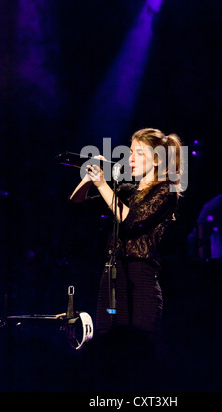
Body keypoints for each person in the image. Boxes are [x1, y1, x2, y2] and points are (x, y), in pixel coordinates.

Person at [69, 128, 183, 336]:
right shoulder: (127, 191)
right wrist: (88, 179)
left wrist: (102, 184)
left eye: (139, 153)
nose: (130, 158)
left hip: (140, 280)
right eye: (130, 152)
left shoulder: (167, 191)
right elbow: (77, 205)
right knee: (106, 342)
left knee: (138, 348)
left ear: (157, 160)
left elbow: (132, 221)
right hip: (112, 274)